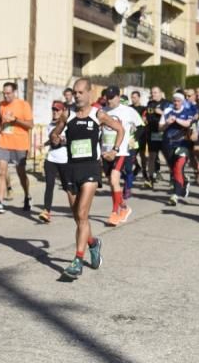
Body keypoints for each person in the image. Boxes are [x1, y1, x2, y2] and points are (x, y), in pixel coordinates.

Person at [49, 78, 122, 279]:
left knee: (82, 213)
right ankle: (93, 243)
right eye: (75, 92)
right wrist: (56, 137)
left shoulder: (98, 114)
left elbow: (120, 130)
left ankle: (77, 260)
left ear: (89, 93)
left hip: (90, 168)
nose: (77, 96)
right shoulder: (67, 114)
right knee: (78, 217)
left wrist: (114, 151)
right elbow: (55, 133)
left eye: (81, 92)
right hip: (70, 168)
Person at [100, 86, 142, 226]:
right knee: (113, 185)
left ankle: (115, 212)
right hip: (105, 152)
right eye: (107, 97)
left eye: (112, 98)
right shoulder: (102, 111)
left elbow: (141, 126)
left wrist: (134, 138)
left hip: (121, 151)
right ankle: (124, 207)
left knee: (114, 180)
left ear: (118, 97)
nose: (109, 100)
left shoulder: (128, 111)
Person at [0, 82, 33, 213]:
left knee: (21, 173)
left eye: (8, 93)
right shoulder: (2, 105)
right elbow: (0, 122)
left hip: (19, 143)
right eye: (4, 93)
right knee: (1, 172)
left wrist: (15, 120)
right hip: (4, 142)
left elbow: (30, 125)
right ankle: (0, 201)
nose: (6, 95)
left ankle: (27, 196)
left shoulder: (23, 104)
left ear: (14, 92)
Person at [160, 92, 195, 206]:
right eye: (174, 100)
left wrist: (176, 120)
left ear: (182, 101)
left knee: (178, 167)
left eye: (178, 101)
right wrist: (167, 123)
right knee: (173, 169)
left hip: (182, 144)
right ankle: (184, 181)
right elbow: (160, 128)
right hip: (168, 144)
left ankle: (175, 195)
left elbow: (188, 124)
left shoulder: (187, 112)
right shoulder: (167, 111)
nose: (176, 103)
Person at [38, 102, 69, 223]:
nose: (55, 112)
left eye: (58, 110)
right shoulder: (50, 125)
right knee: (49, 185)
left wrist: (63, 141)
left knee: (67, 187)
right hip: (51, 159)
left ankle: (77, 205)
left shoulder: (67, 125)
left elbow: (70, 140)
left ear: (62, 112)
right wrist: (44, 144)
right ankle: (47, 211)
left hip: (64, 160)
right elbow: (52, 139)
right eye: (53, 110)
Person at [142, 87, 169, 188]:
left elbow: (171, 116)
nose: (153, 94)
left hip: (163, 133)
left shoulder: (166, 103)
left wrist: (161, 112)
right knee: (152, 156)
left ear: (161, 93)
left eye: (155, 92)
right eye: (152, 92)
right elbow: (147, 114)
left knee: (167, 157)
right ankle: (150, 179)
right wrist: (145, 119)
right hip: (152, 133)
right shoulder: (150, 104)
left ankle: (173, 178)